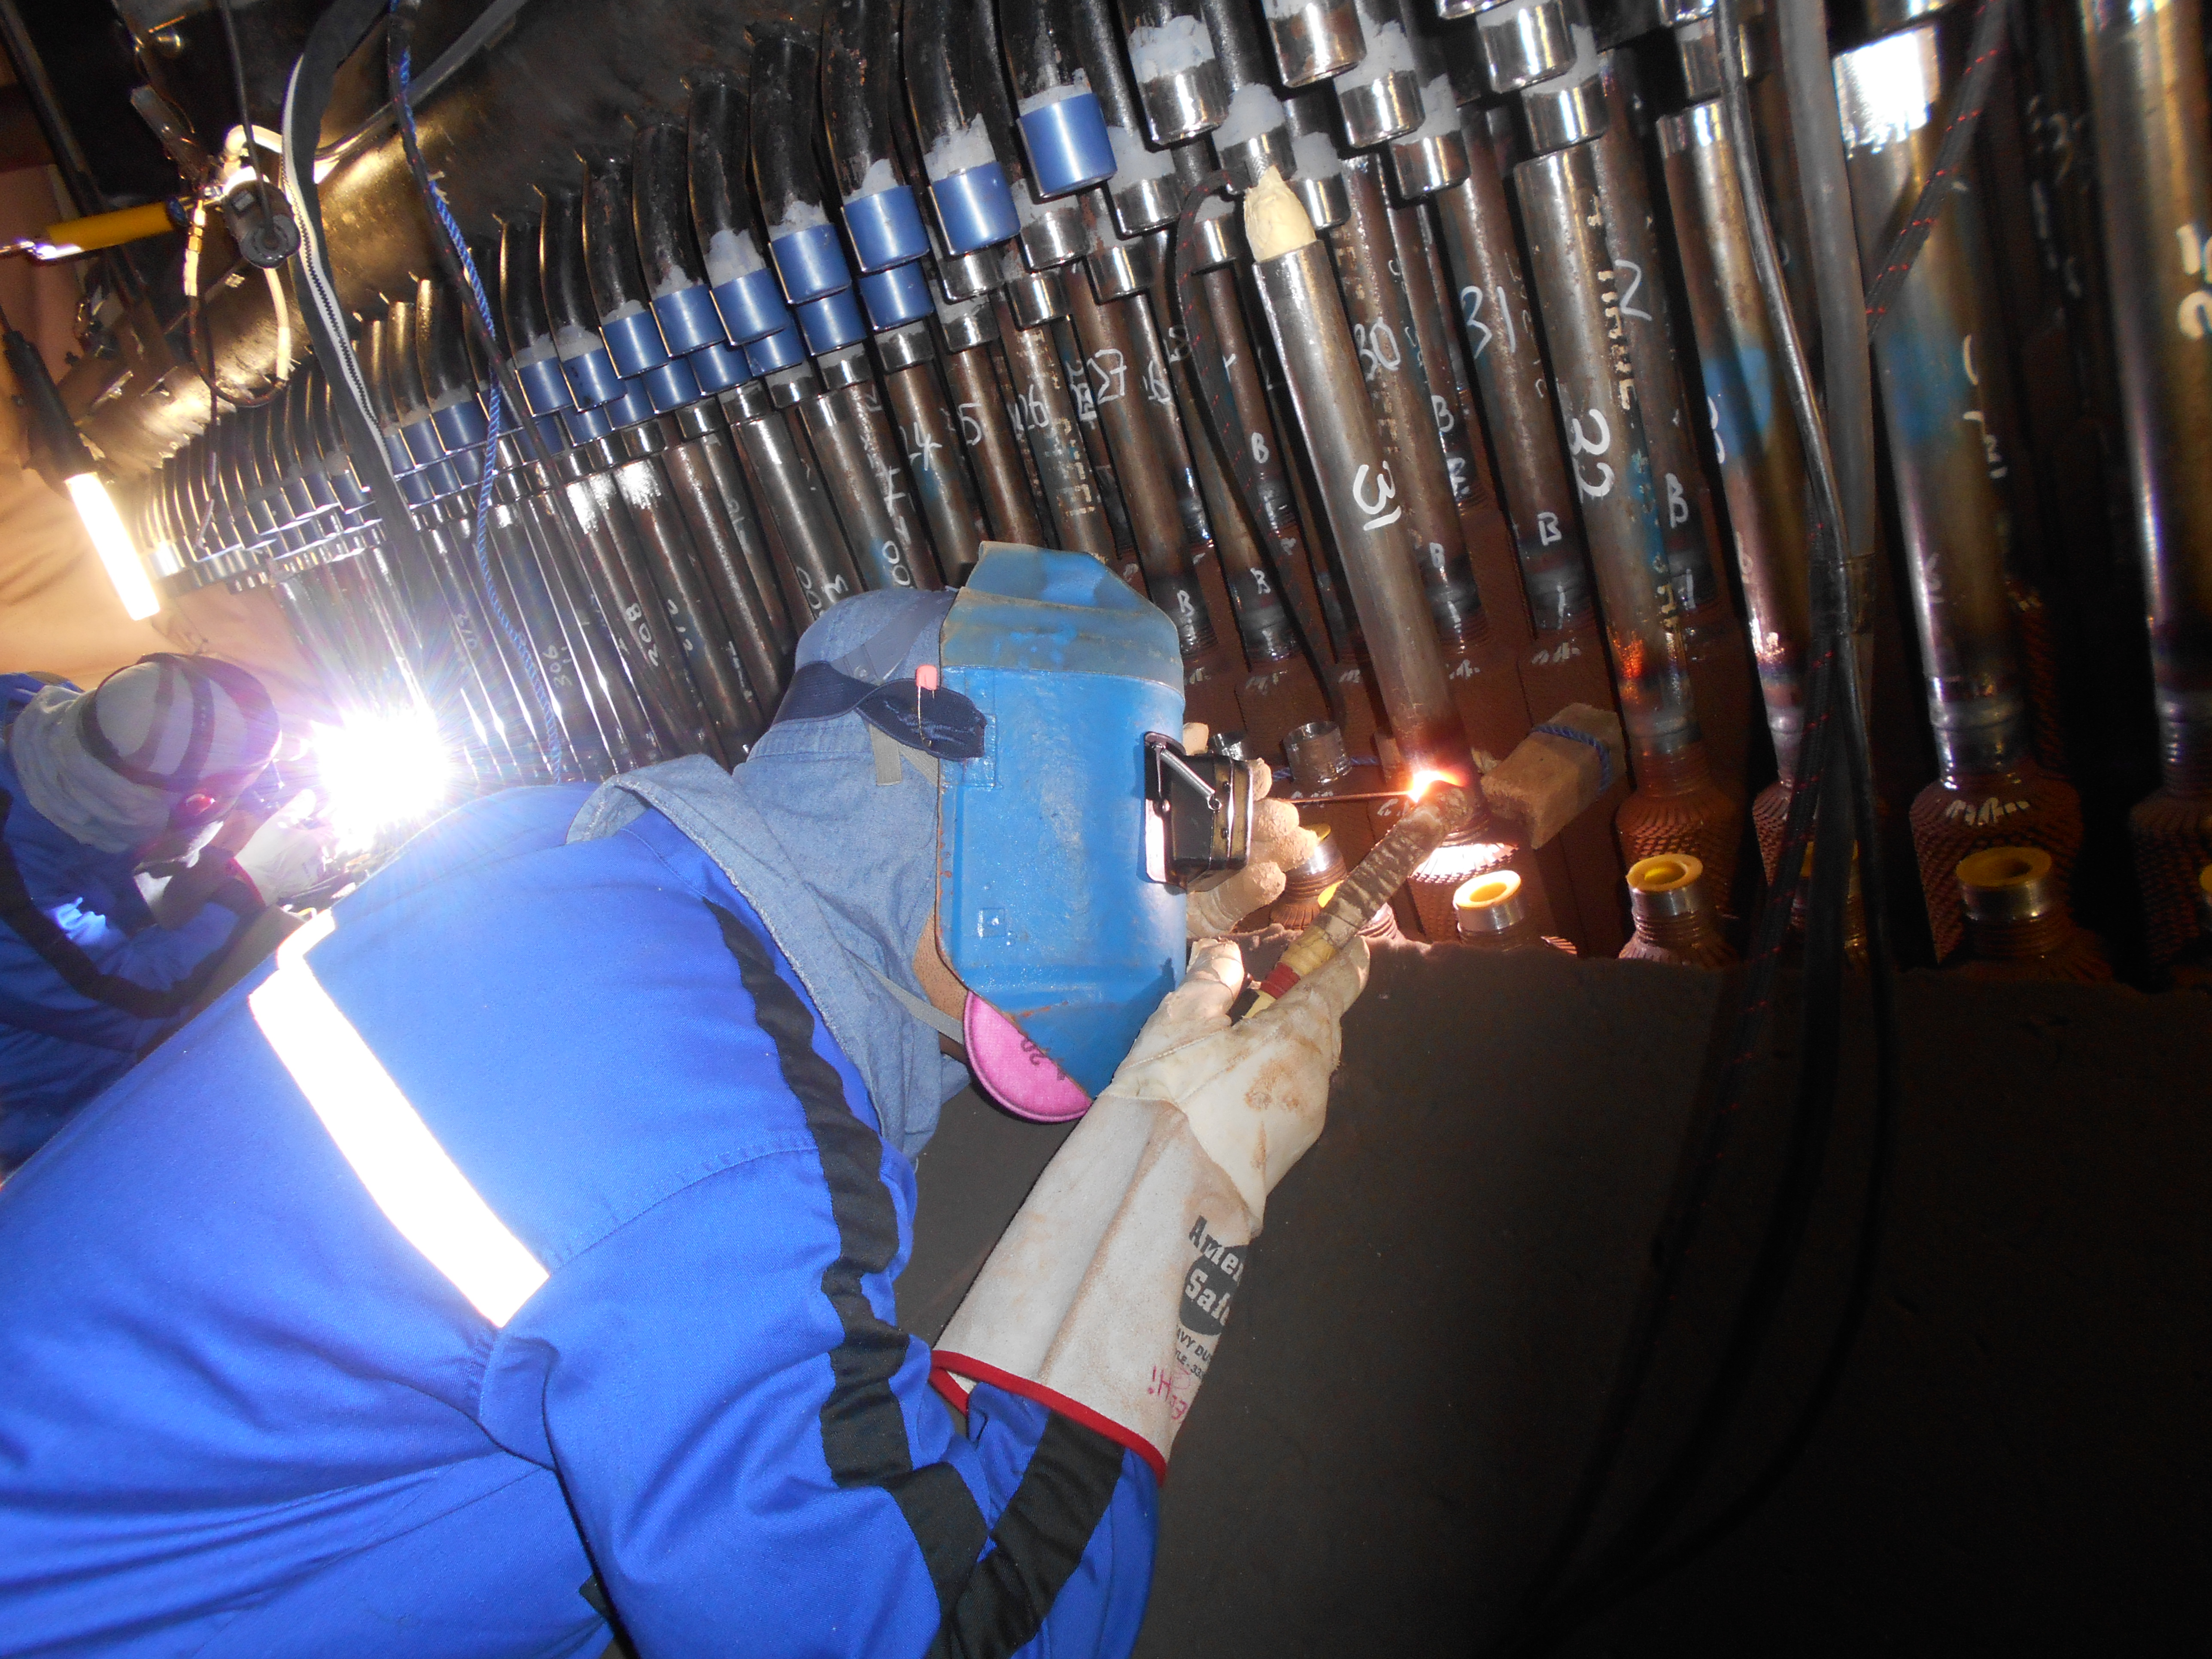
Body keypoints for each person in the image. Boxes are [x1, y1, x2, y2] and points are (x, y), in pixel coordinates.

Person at [0, 550, 1365, 1658]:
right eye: (1123, 834)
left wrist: (1097, 954)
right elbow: (918, 1633)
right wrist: (1188, 1194)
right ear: (987, 759)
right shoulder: (721, 1136)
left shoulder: (555, 852)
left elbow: (867, 998)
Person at [0, 653, 331, 1166]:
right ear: (196, 804)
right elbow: (146, 1001)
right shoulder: (16, 898)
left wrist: (254, 753)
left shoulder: (35, 711)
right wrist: (246, 884)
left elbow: (150, 725)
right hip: (54, 1105)